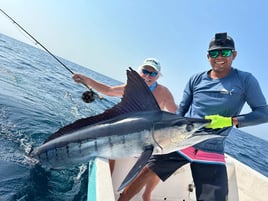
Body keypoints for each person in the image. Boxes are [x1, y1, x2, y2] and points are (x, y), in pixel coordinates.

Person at [118, 32, 268, 201]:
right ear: (207, 56)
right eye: (214, 53)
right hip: (181, 141)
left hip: (213, 149)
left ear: (234, 55)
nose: (219, 57)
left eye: (225, 52)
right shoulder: (196, 79)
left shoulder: (246, 80)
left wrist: (230, 121)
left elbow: (264, 113)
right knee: (144, 173)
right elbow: (181, 111)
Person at [73, 58, 177, 200]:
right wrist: (87, 80)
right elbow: (109, 90)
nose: (148, 76)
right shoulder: (131, 87)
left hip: (151, 138)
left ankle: (147, 194)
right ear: (139, 71)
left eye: (153, 73)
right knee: (108, 152)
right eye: (145, 71)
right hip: (129, 135)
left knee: (158, 163)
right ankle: (106, 186)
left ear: (158, 76)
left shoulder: (164, 92)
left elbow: (176, 113)